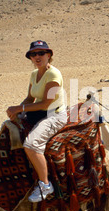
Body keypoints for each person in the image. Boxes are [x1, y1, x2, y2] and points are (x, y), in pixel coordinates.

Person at [7, 40, 67, 202]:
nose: (37, 57)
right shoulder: (34, 75)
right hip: (38, 113)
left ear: (49, 55)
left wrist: (19, 109)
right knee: (8, 128)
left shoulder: (54, 75)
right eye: (33, 54)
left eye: (41, 53)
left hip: (53, 115)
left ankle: (45, 184)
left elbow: (47, 103)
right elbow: (30, 98)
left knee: (32, 145)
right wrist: (16, 111)